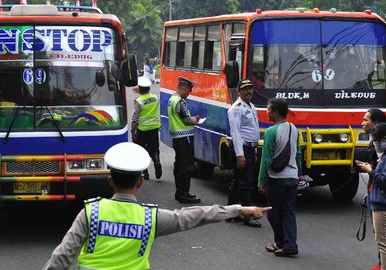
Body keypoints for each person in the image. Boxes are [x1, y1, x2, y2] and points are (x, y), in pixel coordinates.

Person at [43, 142, 271, 270]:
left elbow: (62, 257)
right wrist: (238, 209)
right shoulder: (150, 218)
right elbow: (194, 216)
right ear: (140, 182)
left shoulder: (90, 213)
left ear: (110, 180)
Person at [356, 123, 386, 270]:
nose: (375, 143)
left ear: (384, 139)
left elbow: (385, 181)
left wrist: (370, 170)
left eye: (375, 140)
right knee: (383, 242)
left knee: (383, 243)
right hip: (382, 202)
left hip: (384, 205)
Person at [258, 98, 302, 257]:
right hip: (292, 177)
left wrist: (261, 180)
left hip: (277, 178)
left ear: (276, 112)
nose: (267, 112)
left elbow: (266, 159)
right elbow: (298, 153)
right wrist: (299, 173)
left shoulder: (271, 131)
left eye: (268, 109)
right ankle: (289, 244)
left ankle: (281, 243)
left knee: (273, 212)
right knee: (288, 211)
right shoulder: (294, 129)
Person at [226, 79, 262, 228]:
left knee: (238, 181)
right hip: (241, 149)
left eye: (250, 89)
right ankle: (247, 216)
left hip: (249, 149)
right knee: (246, 183)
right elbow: (235, 134)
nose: (249, 92)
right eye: (245, 89)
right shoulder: (236, 109)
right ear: (239, 92)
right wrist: (240, 155)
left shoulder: (251, 106)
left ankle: (231, 212)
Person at [361, 108, 386, 270]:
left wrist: (369, 170)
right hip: (375, 191)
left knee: (383, 239)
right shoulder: (375, 142)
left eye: (366, 120)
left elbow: (384, 176)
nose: (362, 123)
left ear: (376, 123)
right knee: (379, 236)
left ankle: (383, 265)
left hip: (383, 197)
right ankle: (381, 264)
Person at [167, 76, 201, 204]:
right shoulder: (180, 101)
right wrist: (196, 120)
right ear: (184, 88)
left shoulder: (171, 99)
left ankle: (179, 192)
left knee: (179, 165)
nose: (189, 93)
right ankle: (184, 194)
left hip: (176, 137)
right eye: (189, 90)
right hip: (184, 137)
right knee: (186, 166)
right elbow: (186, 119)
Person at [131, 77, 162, 180]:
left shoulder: (138, 101)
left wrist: (133, 131)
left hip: (143, 128)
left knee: (141, 149)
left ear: (139, 88)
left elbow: (135, 118)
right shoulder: (155, 97)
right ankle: (157, 161)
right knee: (154, 147)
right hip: (154, 127)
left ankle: (145, 172)